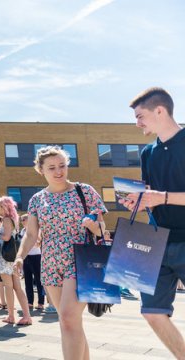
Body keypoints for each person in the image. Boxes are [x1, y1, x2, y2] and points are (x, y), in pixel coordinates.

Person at [14, 145, 106, 359]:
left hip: (80, 259)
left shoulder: (85, 191)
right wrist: (20, 256)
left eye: (62, 166)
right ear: (41, 170)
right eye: (52, 167)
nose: (58, 171)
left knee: (66, 318)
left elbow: (102, 229)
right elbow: (31, 234)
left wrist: (93, 226)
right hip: (50, 262)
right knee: (71, 322)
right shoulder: (37, 199)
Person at [119, 87, 185, 358]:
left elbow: (161, 196)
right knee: (152, 313)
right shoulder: (147, 153)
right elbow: (151, 196)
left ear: (160, 110)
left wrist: (162, 197)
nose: (137, 123)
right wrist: (138, 201)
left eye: (140, 116)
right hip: (156, 243)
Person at [0, 196, 32, 325]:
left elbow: (5, 237)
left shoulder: (6, 219)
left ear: (4, 207)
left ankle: (11, 316)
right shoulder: (14, 219)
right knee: (18, 287)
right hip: (14, 256)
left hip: (6, 258)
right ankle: (27, 316)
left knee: (8, 287)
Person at [21, 214, 45, 311]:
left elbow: (39, 242)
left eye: (24, 219)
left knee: (39, 280)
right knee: (28, 281)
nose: (22, 221)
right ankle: (30, 302)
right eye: (21, 220)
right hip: (26, 257)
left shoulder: (37, 229)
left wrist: (34, 236)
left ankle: (41, 302)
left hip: (36, 256)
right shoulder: (22, 231)